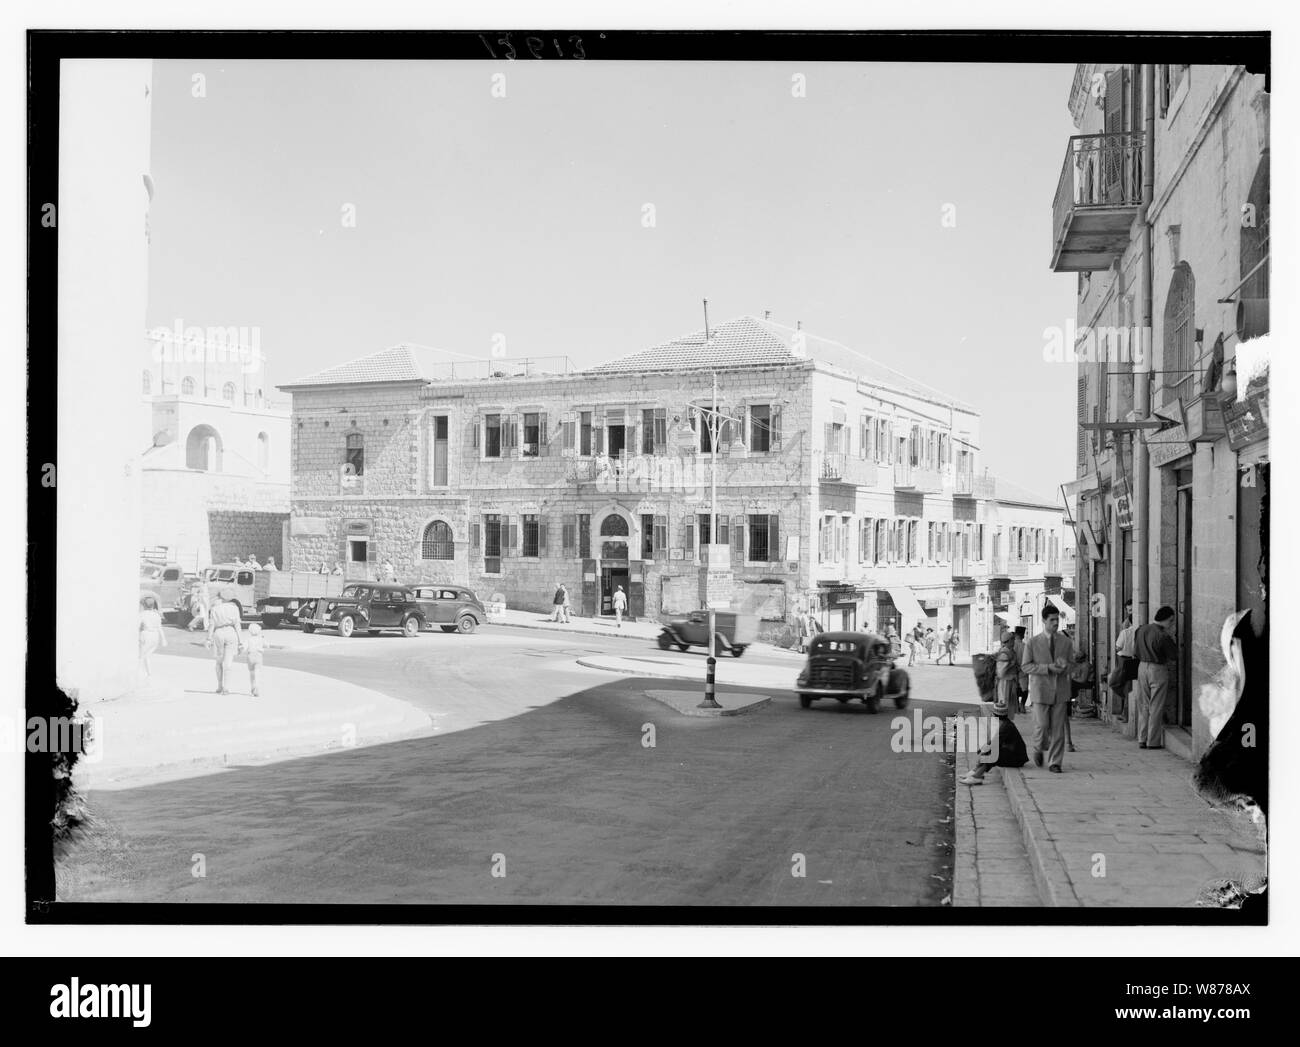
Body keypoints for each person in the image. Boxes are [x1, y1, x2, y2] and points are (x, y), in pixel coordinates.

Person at [1022, 604, 1075, 772]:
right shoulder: (1032, 642)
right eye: (1051, 620)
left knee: (1058, 729)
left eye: (1057, 620)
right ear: (1044, 620)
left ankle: (1055, 762)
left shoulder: (1066, 642)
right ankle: (1038, 748)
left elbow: (1072, 665)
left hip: (1060, 691)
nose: (1055, 623)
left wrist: (1066, 666)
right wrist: (1047, 668)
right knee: (1042, 726)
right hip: (1040, 690)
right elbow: (1025, 666)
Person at [1133, 605, 1178, 750]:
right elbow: (1173, 656)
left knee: (1143, 704)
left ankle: (1142, 738)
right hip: (1157, 669)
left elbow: (1135, 651)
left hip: (1142, 667)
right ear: (1169, 619)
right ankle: (1153, 741)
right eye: (1172, 621)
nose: (1172, 624)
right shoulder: (1163, 636)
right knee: (1156, 706)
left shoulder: (1141, 630)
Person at [958, 695, 1029, 785]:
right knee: (988, 751)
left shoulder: (1006, 727)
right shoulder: (1005, 724)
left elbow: (994, 743)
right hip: (1013, 754)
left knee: (993, 755)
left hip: (1017, 758)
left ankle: (977, 777)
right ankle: (975, 772)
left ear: (995, 716)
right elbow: (994, 740)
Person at [205, 587, 244, 695]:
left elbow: (211, 625)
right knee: (228, 662)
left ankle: (219, 686)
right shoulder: (234, 608)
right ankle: (226, 688)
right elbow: (237, 625)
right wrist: (241, 642)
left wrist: (208, 639)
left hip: (218, 633)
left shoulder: (215, 608)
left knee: (218, 662)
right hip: (231, 632)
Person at [1111, 606, 1138, 721]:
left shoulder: (1125, 632)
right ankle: (1126, 712)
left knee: (1114, 683)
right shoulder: (1140, 631)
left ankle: (1126, 712)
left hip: (1123, 660)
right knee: (1129, 687)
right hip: (1135, 661)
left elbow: (1118, 647)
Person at [138, 593, 167, 677]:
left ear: (143, 605)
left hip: (146, 635)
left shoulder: (142, 614)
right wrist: (163, 639)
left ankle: (139, 673)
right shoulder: (156, 615)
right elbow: (159, 628)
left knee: (140, 656)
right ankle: (148, 672)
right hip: (155, 636)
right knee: (147, 655)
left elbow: (138, 626)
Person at [994, 629, 1020, 721]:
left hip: (1010, 682)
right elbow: (1001, 672)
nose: (1014, 641)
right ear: (1008, 641)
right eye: (1012, 639)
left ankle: (1007, 725)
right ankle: (1004, 727)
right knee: (1004, 706)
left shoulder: (1011, 651)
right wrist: (1011, 664)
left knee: (1010, 707)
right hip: (1005, 683)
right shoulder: (1004, 653)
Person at [244, 621, 266, 697]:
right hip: (258, 655)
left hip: (250, 656)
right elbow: (267, 645)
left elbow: (244, 647)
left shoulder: (248, 639)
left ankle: (252, 686)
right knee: (257, 672)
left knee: (251, 672)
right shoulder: (261, 638)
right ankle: (257, 686)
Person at [1013, 626, 1029, 713]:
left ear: (1015, 634)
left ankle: (1016, 705)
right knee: (1024, 689)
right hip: (1024, 671)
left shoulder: (1011, 645)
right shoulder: (1026, 646)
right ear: (1022, 635)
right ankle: (1022, 705)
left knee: (1014, 689)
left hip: (1014, 671)